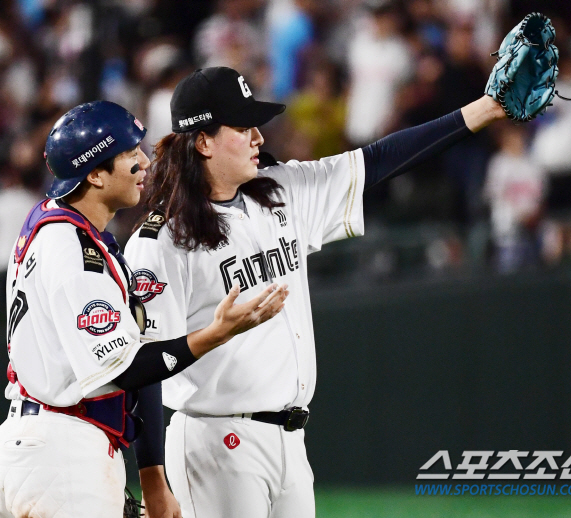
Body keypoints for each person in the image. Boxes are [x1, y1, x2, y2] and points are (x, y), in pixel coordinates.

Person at [124, 67, 507, 517]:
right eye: (243, 127)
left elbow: (379, 160)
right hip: (216, 441)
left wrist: (486, 109)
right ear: (203, 142)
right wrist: (152, 478)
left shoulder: (281, 192)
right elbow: (143, 368)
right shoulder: (162, 242)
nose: (258, 139)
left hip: (290, 437)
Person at [0, 100, 288, 518]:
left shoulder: (57, 224)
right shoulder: (73, 251)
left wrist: (151, 478)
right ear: (94, 173)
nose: (145, 162)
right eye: (130, 154)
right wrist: (216, 334)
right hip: (61, 450)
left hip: (40, 440)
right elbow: (126, 369)